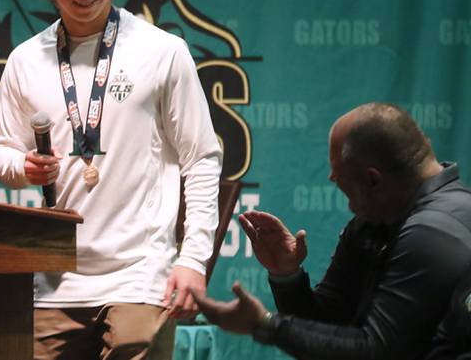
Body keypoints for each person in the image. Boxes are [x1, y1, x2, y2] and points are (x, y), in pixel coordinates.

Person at [0, 0, 222, 359]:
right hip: (56, 279)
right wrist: (23, 166)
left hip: (141, 274)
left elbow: (201, 159)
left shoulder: (162, 52)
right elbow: (1, 151)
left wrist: (193, 259)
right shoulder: (24, 60)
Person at [194, 102, 471, 359]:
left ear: (372, 179)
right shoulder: (373, 223)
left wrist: (265, 324)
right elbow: (325, 326)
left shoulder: (434, 232)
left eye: (339, 175)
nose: (331, 179)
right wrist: (287, 276)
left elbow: (377, 352)